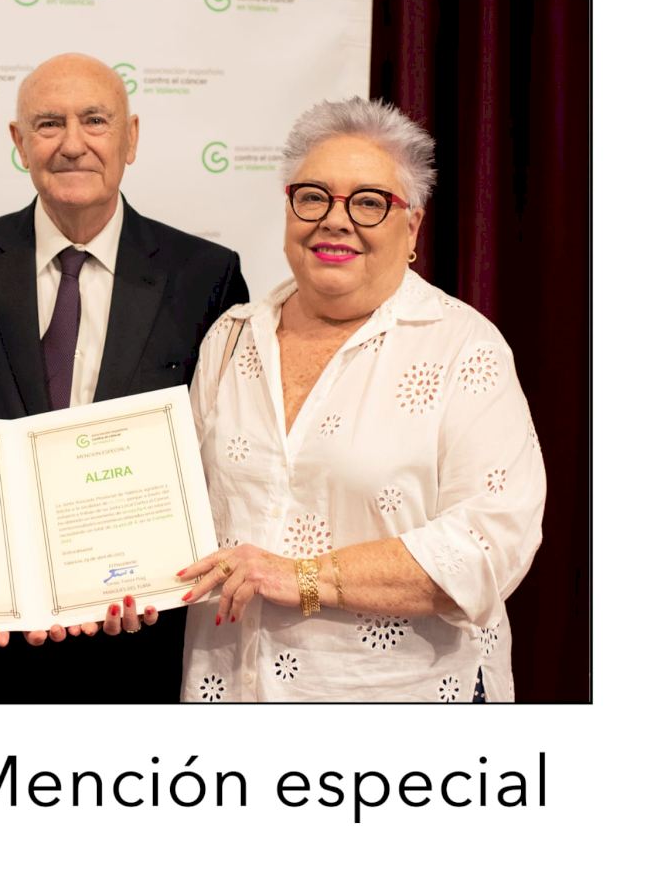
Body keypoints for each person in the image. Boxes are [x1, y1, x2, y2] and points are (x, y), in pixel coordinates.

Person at [0, 52, 249, 703]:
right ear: (19, 142)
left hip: (144, 641)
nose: (72, 144)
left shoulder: (205, 275)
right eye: (48, 124)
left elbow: (226, 455)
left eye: (95, 121)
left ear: (130, 138)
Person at [177, 96, 545, 702]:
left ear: (412, 227)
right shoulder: (231, 337)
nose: (335, 220)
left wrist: (304, 577)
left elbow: (491, 545)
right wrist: (107, 586)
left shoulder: (463, 348)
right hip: (228, 695)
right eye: (313, 196)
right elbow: (178, 514)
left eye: (369, 202)